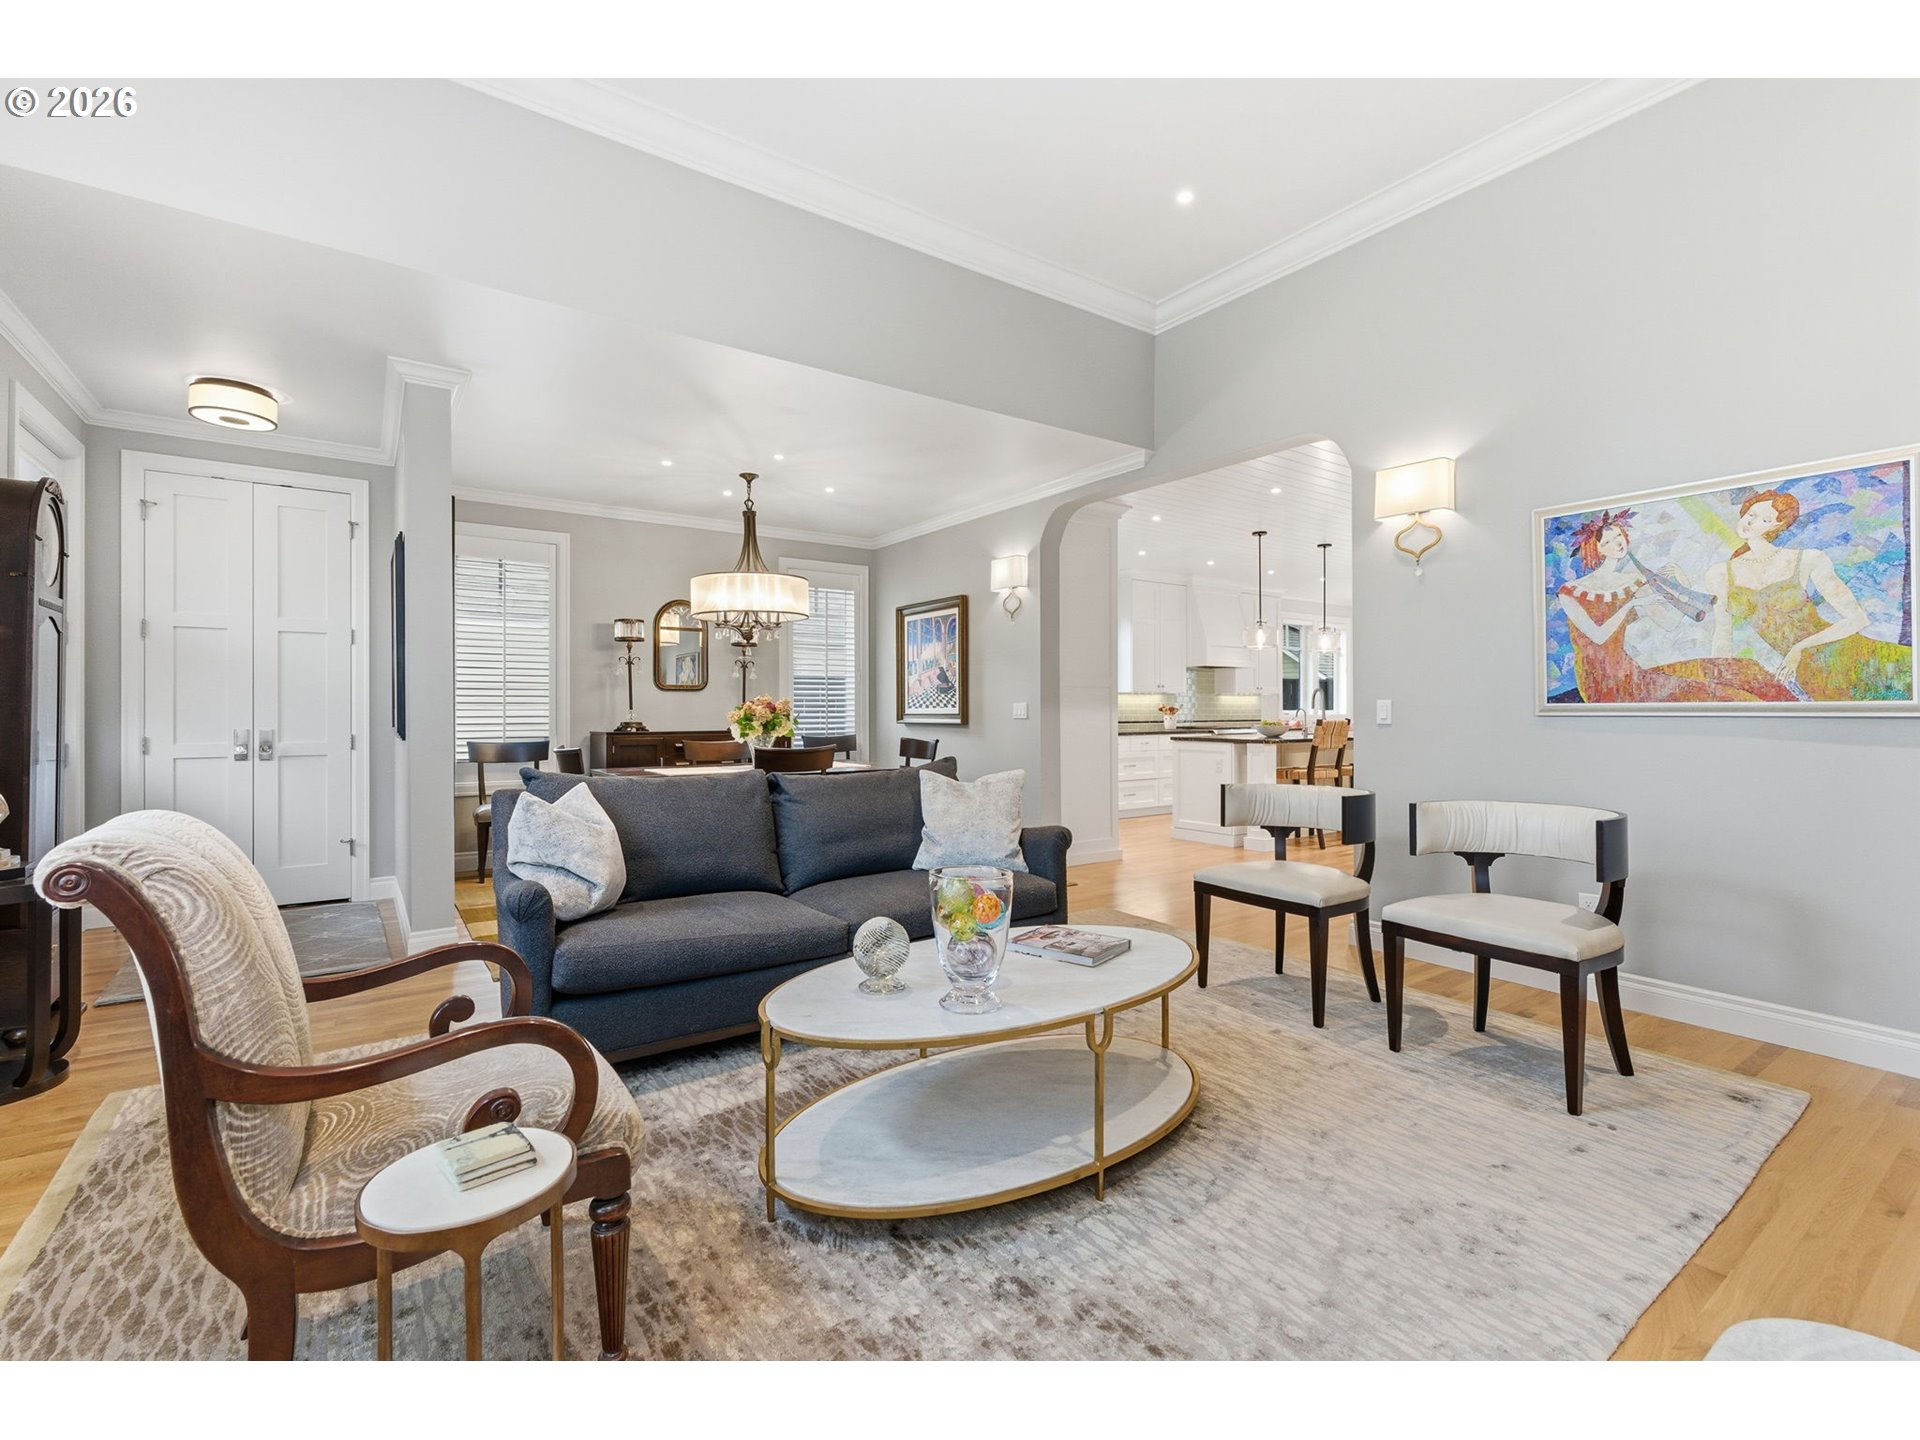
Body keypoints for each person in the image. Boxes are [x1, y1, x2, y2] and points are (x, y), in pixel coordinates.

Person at [1557, 508, 1794, 703]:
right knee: (1731, 697)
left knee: (1745, 670)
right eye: (1607, 541)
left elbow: (1669, 623)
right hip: (1603, 686)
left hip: (1633, 674)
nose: (1617, 543)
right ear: (1594, 550)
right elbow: (1598, 636)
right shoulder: (1571, 592)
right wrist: (1633, 604)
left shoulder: (1634, 581)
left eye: (1618, 536)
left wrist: (1681, 582)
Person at [1706, 489, 1910, 701]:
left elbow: (1857, 619)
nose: (1751, 522)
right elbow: (1722, 632)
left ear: (1778, 525)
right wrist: (1719, 680)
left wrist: (1799, 648)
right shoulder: (1719, 574)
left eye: (1764, 519)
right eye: (1751, 514)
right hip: (1806, 674)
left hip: (1850, 655)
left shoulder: (1808, 559)